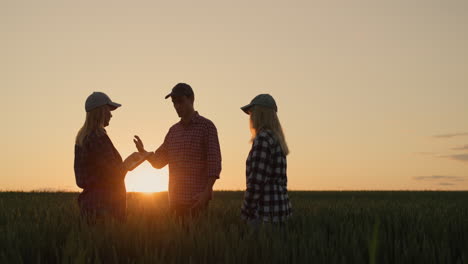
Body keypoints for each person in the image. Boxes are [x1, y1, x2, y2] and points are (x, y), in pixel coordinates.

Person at [134, 83, 222, 218]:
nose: (177, 106)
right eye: (174, 102)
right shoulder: (173, 131)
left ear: (191, 99)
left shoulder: (207, 127)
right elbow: (159, 161)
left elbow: (214, 162)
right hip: (175, 203)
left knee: (195, 238)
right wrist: (145, 153)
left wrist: (206, 193)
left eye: (180, 101)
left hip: (197, 201)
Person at [74, 92, 145, 222]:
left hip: (89, 204)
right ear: (100, 112)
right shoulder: (99, 138)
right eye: (108, 110)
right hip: (106, 207)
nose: (111, 115)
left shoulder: (82, 139)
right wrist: (128, 163)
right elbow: (115, 174)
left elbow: (82, 179)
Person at [240, 94, 292, 227]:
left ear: (260, 114)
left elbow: (255, 182)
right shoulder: (277, 139)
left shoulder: (263, 139)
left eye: (252, 113)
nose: (250, 118)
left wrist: (245, 212)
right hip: (281, 209)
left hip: (264, 212)